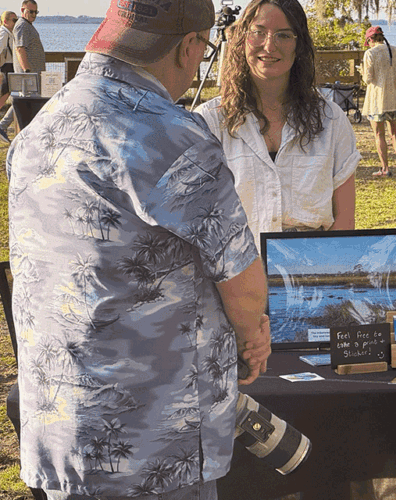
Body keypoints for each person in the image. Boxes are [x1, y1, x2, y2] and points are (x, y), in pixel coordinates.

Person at [6, 0, 271, 497]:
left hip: (61, 434)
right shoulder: (172, 137)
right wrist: (252, 336)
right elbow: (245, 288)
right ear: (189, 46)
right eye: (202, 52)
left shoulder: (37, 132)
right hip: (151, 450)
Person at [195, 0, 359, 247]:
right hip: (232, 276)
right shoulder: (208, 121)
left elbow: (345, 221)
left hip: (312, 274)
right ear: (242, 39)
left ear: (299, 45)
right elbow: (196, 223)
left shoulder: (332, 121)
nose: (269, 45)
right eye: (258, 32)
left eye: (283, 35)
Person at [361, 25, 396, 178]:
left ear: (369, 40)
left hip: (377, 99)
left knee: (379, 134)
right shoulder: (394, 50)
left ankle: (385, 168)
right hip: (393, 98)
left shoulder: (370, 53)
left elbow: (368, 79)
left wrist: (362, 71)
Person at [0, 0, 43, 141]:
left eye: (35, 12)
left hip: (33, 74)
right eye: (30, 11)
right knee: (24, 101)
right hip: (29, 74)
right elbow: (19, 48)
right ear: (22, 10)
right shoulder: (22, 26)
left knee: (23, 100)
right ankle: (8, 128)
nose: (33, 15)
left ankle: (4, 126)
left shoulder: (27, 26)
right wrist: (27, 70)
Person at [0, 10, 16, 143]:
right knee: (3, 97)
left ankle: (3, 126)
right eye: (14, 20)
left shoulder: (9, 33)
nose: (16, 23)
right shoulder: (4, 33)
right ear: (5, 21)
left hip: (10, 68)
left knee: (9, 97)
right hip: (7, 68)